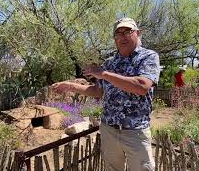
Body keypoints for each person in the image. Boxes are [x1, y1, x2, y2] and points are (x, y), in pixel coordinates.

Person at [51, 17, 160, 171]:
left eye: (127, 31)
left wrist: (104, 74)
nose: (123, 36)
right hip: (109, 129)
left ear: (137, 33)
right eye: (118, 33)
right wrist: (69, 86)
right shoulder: (110, 63)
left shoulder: (148, 57)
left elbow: (142, 86)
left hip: (135, 131)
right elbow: (98, 91)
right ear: (114, 39)